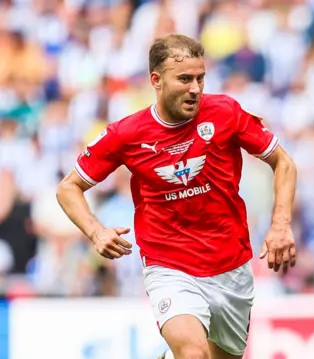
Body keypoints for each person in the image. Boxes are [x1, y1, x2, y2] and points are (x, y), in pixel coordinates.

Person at [56, 34, 298, 359]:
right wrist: (96, 230)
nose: (196, 88)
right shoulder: (126, 134)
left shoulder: (225, 112)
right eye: (185, 79)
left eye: (200, 78)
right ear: (156, 80)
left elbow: (283, 161)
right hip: (169, 264)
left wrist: (281, 225)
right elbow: (68, 187)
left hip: (231, 263)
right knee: (193, 354)